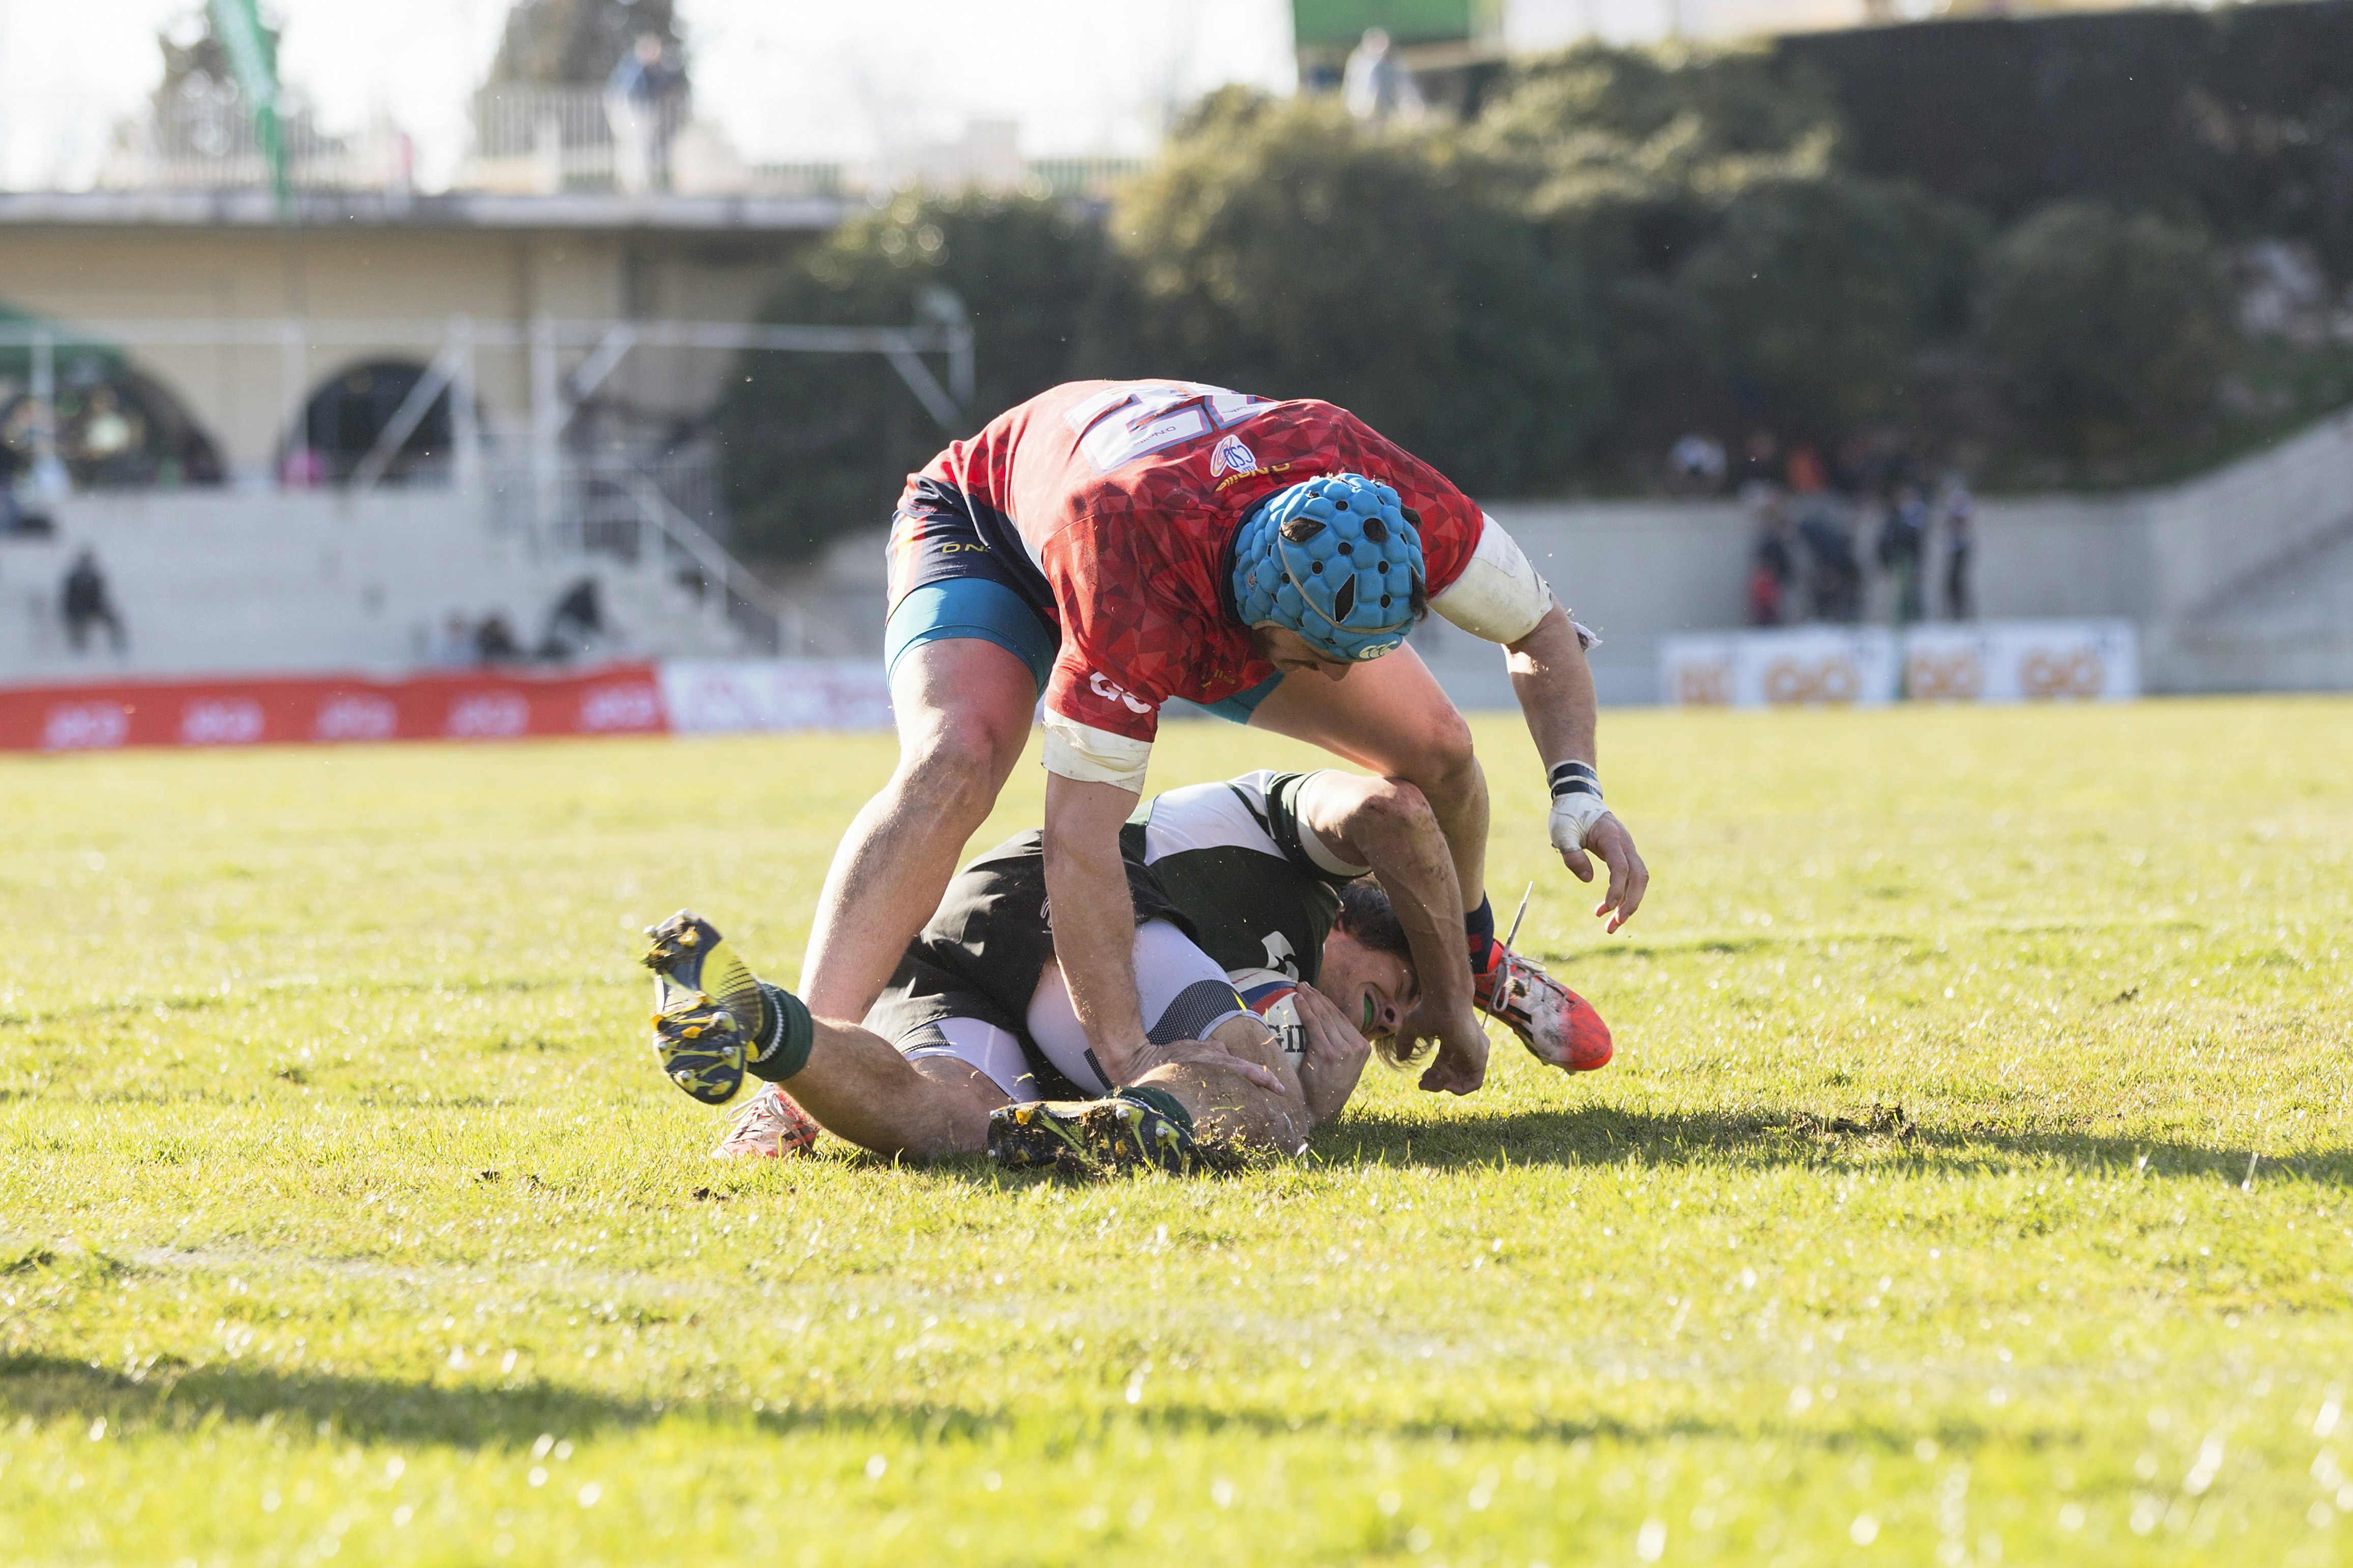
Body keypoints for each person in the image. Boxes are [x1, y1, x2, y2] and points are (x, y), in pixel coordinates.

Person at [797, 379, 1645, 1120]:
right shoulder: (1138, 586)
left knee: (1440, 746)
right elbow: (1080, 843)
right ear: (1254, 618)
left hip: (1193, 529)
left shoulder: (1380, 481)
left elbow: (1542, 627)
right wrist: (1131, 1056)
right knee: (957, 760)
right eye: (1319, 653)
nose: (1334, 676)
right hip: (995, 528)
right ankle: (795, 1074)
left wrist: (1580, 789)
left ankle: (1467, 955)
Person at [648, 767, 1609, 1168]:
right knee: (1265, 1104)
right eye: (1393, 998)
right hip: (1075, 890)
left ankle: (756, 1019)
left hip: (974, 949)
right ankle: (1104, 1135)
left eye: (1390, 1031)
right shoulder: (1309, 858)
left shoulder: (1288, 984)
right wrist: (1459, 983)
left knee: (951, 1121)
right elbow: (1398, 812)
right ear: (1371, 917)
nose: (1384, 1024)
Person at [606, 34, 685, 195]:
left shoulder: (640, 68)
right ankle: (635, 183)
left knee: (636, 143)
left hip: (630, 108)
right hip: (628, 108)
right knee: (636, 142)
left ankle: (634, 183)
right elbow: (631, 93)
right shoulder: (637, 67)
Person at [1342, 28, 1425, 123]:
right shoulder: (1359, 60)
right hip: (1363, 113)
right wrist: (1362, 107)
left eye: (1380, 44)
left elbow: (1404, 86)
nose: (1377, 48)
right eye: (1374, 44)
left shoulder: (1394, 59)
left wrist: (1409, 107)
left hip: (1391, 111)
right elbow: (1354, 88)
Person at [60, 549, 126, 654]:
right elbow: (69, 598)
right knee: (78, 623)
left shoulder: (95, 578)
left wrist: (98, 610)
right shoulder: (73, 579)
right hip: (78, 609)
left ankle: (118, 644)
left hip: (94, 608)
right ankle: (78, 647)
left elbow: (100, 597)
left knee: (113, 619)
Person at [1940, 477, 1975, 621]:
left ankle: (1960, 614)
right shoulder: (1955, 501)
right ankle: (1958, 613)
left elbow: (1961, 521)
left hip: (1961, 546)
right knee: (1953, 582)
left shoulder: (1960, 500)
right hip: (1955, 547)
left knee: (1956, 581)